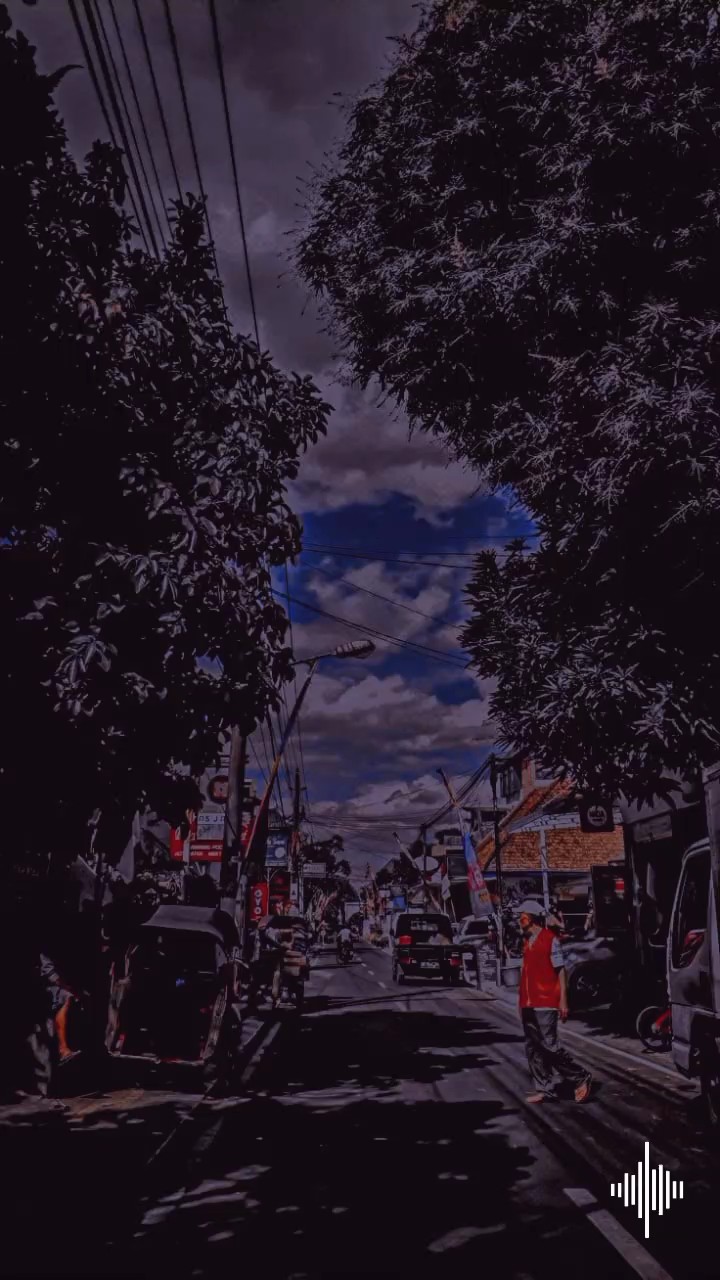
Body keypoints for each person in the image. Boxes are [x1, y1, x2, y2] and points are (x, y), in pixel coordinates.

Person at [516, 899, 592, 1105]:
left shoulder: (550, 940)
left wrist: (563, 1001)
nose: (518, 921)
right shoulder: (527, 942)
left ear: (529, 918)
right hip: (529, 1003)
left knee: (549, 1046)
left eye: (521, 917)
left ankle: (579, 1076)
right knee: (533, 1048)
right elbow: (525, 974)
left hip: (546, 1001)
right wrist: (520, 1002)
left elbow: (560, 971)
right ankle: (544, 1088)